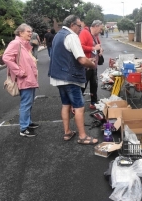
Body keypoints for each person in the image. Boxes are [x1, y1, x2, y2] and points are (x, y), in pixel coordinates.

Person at [48, 15, 98, 145]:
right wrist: (92, 64)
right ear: (72, 25)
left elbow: (65, 56)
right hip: (71, 78)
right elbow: (81, 59)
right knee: (79, 107)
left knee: (65, 105)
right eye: (79, 26)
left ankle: (67, 132)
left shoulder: (58, 35)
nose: (80, 29)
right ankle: (82, 136)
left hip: (58, 78)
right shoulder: (71, 36)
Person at [2, 23, 40, 137]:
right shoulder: (16, 43)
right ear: (20, 33)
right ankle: (24, 128)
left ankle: (28, 123)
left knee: (29, 102)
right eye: (28, 31)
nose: (31, 33)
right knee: (26, 103)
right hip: (24, 79)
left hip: (30, 79)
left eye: (31, 31)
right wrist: (19, 71)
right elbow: (6, 58)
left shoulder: (24, 44)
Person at [79, 20, 103, 110]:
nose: (101, 31)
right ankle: (76, 105)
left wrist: (100, 49)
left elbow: (98, 45)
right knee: (83, 85)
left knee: (94, 84)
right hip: (86, 65)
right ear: (96, 26)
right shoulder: (84, 33)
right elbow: (80, 47)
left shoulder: (96, 35)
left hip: (94, 65)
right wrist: (93, 48)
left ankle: (93, 102)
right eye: (100, 28)